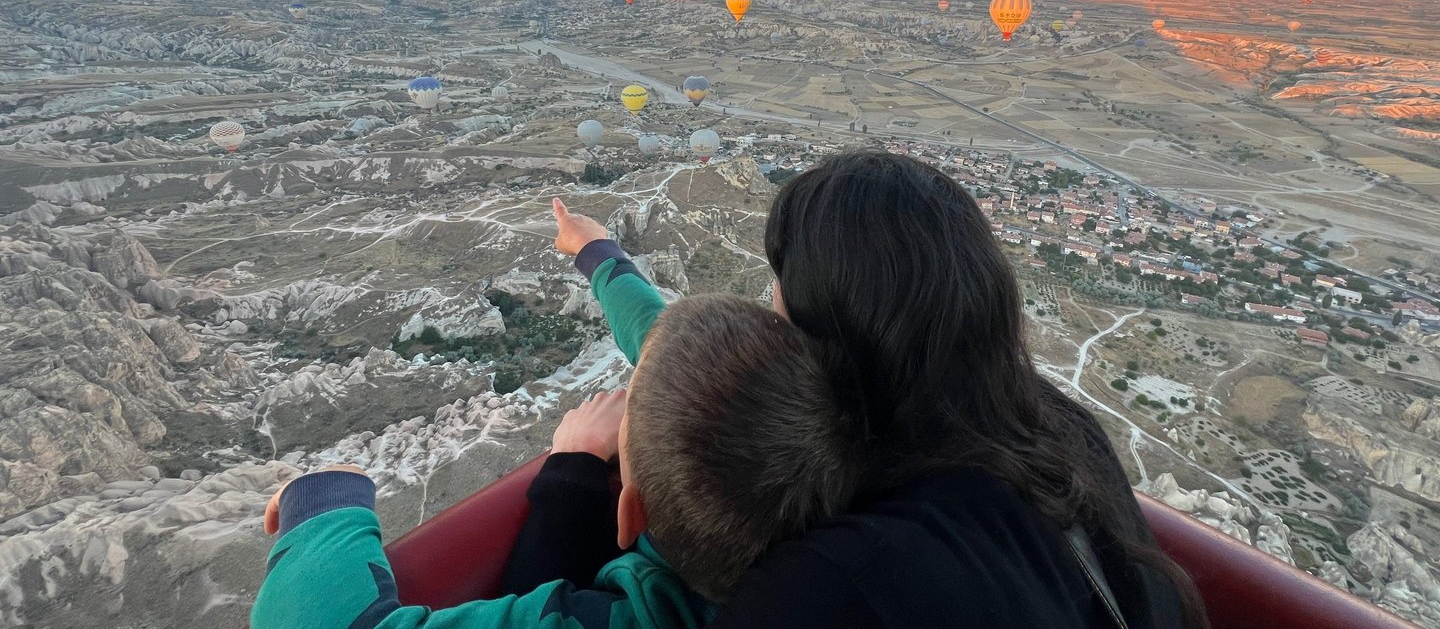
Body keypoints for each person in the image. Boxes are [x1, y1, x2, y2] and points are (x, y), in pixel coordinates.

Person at [550, 150, 1209, 629]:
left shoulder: (832, 582)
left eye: (779, 297)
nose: (768, 316)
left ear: (831, 344)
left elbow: (720, 388)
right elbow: (695, 362)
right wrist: (602, 256)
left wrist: (570, 478)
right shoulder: (1053, 427)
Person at [250, 295, 860, 629]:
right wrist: (600, 259)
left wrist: (324, 505)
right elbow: (688, 352)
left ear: (630, 514)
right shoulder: (861, 545)